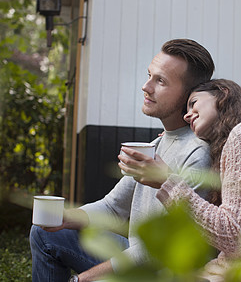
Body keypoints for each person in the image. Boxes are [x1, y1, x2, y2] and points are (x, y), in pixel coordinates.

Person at [29, 39, 215, 282]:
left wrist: (82, 279)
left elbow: (159, 252)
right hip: (138, 254)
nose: (146, 87)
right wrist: (67, 218)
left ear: (189, 95)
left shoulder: (197, 154)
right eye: (150, 75)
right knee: (45, 233)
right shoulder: (157, 144)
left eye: (161, 81)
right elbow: (113, 207)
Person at [119, 79, 241, 281]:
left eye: (193, 103)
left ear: (223, 94)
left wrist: (167, 181)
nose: (186, 115)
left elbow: (234, 237)